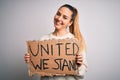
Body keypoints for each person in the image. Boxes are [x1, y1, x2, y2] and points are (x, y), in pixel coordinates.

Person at [24, 4, 87, 80]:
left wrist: (78, 65)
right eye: (58, 14)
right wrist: (31, 61)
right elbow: (37, 71)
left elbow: (81, 76)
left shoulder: (75, 42)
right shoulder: (43, 39)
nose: (59, 18)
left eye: (65, 17)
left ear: (70, 23)